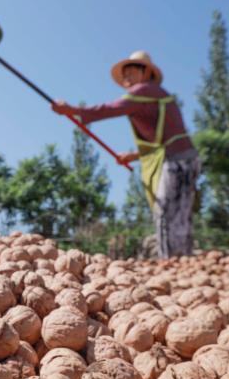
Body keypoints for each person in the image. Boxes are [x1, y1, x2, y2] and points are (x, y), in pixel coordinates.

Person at [52, 50, 201, 258]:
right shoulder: (150, 96)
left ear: (145, 73)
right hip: (180, 158)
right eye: (125, 75)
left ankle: (174, 261)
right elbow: (160, 142)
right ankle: (179, 260)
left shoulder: (147, 90)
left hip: (179, 160)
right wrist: (133, 156)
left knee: (168, 212)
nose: (126, 78)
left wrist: (73, 110)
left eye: (131, 72)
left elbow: (112, 108)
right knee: (176, 213)